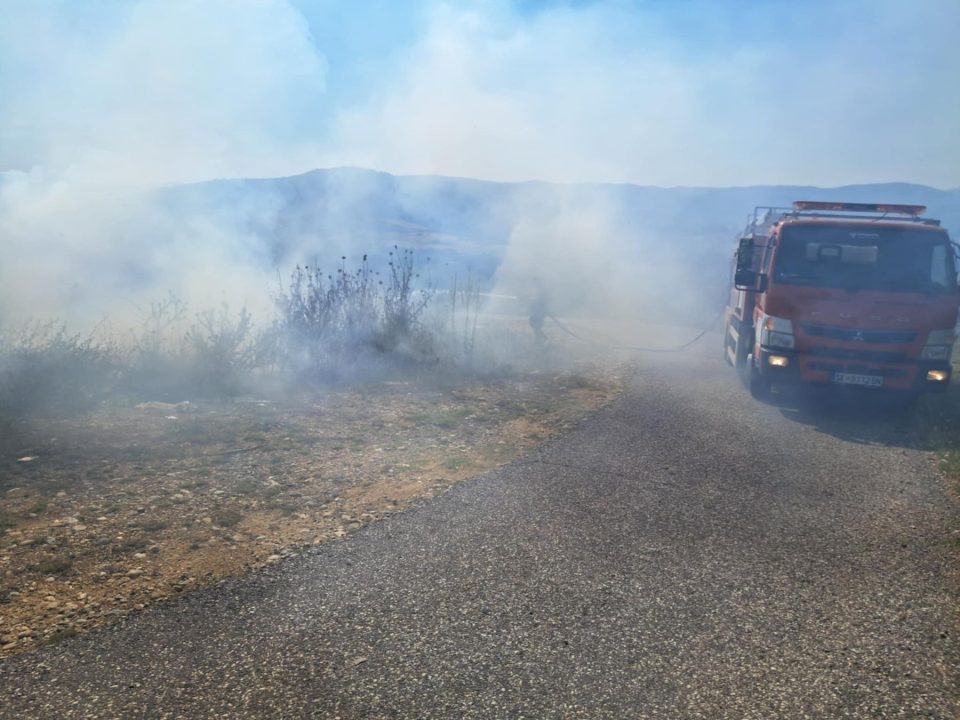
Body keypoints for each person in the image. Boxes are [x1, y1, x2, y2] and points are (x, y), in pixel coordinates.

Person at [528, 277, 549, 348]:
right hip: (535, 310)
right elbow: (532, 298)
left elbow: (540, 299)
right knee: (534, 325)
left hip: (539, 311)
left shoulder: (541, 290)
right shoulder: (535, 289)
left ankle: (542, 339)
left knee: (537, 326)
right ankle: (539, 339)